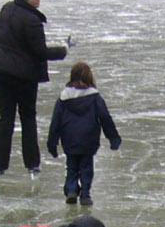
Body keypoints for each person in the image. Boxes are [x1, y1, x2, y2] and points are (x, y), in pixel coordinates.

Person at [0, 0, 69, 175]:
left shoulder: (6, 9)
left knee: (5, 119)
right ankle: (32, 164)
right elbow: (39, 51)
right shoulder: (32, 20)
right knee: (28, 118)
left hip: (1, 73)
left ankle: (0, 165)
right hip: (23, 77)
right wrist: (63, 50)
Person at [45, 61, 122, 208]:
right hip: (89, 139)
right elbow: (105, 117)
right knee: (86, 166)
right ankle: (85, 194)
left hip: (69, 139)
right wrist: (113, 138)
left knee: (72, 166)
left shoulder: (63, 98)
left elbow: (55, 122)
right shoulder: (95, 97)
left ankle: (72, 190)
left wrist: (52, 143)